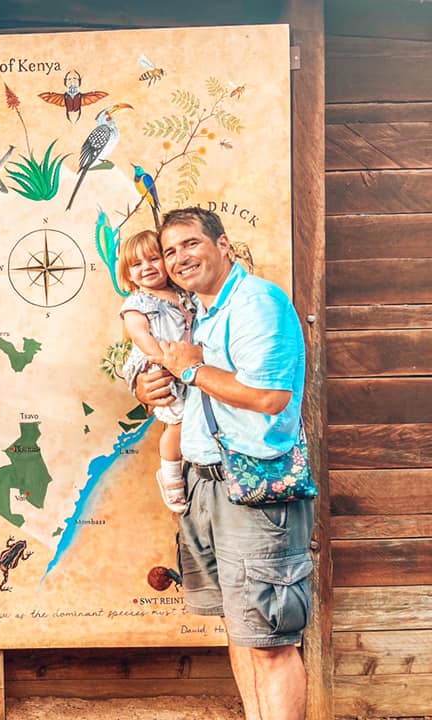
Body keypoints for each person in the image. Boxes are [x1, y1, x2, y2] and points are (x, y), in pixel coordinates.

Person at [134, 207, 313, 720]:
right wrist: (155, 386)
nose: (179, 258)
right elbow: (195, 387)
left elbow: (270, 396)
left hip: (254, 488)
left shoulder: (256, 302)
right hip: (207, 484)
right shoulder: (200, 312)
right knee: (242, 630)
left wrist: (190, 368)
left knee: (270, 641)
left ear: (223, 245)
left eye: (191, 244)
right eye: (170, 251)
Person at [116, 229, 193, 513]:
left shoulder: (184, 295)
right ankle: (170, 474)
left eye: (153, 258)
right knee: (178, 424)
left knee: (192, 421)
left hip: (187, 367)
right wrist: (164, 360)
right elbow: (141, 336)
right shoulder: (138, 304)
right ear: (128, 274)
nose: (146, 267)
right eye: (137, 264)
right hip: (163, 368)